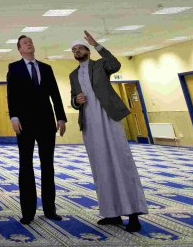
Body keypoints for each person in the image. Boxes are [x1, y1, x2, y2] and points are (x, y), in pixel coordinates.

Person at [69, 31, 148, 233]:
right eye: (74, 50)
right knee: (100, 168)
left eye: (80, 48)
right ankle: (112, 213)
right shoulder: (73, 75)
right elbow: (73, 98)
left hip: (109, 118)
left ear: (87, 51)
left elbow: (115, 64)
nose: (77, 51)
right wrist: (75, 102)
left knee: (122, 163)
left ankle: (133, 214)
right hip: (89, 124)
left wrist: (97, 45)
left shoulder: (100, 65)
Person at [7, 35, 67, 224]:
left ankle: (50, 209)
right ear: (20, 49)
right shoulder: (14, 68)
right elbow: (12, 94)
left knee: (47, 166)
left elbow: (55, 94)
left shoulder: (46, 68)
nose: (29, 44)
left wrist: (61, 117)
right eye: (25, 43)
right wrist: (14, 117)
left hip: (46, 123)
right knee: (26, 166)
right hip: (24, 124)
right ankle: (28, 212)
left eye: (30, 41)